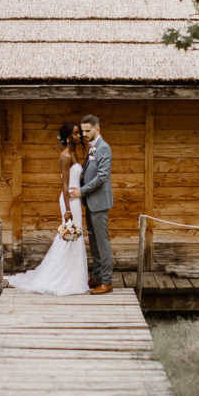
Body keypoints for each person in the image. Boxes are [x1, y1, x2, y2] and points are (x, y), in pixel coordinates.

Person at [6, 123, 89, 296]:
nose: (79, 136)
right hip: (68, 201)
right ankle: (56, 277)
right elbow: (65, 185)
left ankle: (74, 277)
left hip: (76, 199)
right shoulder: (65, 156)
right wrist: (67, 210)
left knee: (76, 237)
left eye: (79, 133)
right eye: (75, 134)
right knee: (68, 235)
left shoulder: (74, 153)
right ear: (68, 137)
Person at [70, 114, 113, 295]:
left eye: (88, 130)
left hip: (99, 202)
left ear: (98, 129)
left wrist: (81, 191)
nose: (85, 133)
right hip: (90, 202)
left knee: (102, 243)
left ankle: (107, 282)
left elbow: (102, 177)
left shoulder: (104, 148)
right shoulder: (92, 148)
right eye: (83, 130)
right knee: (94, 243)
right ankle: (96, 277)